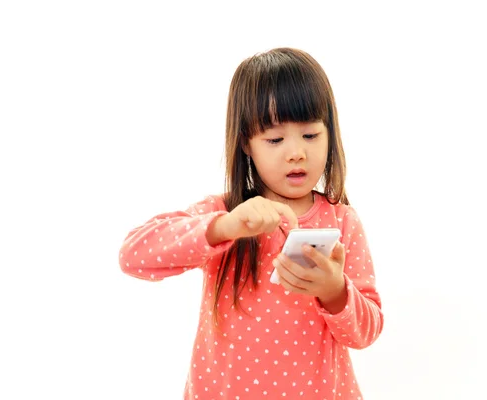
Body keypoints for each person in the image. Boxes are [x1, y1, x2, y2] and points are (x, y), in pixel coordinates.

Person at [118, 47, 383, 399]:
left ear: (330, 134)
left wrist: (334, 290)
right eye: (274, 139)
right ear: (246, 143)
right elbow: (133, 256)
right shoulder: (224, 213)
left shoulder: (341, 220)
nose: (296, 152)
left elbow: (366, 332)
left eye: (310, 135)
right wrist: (224, 227)